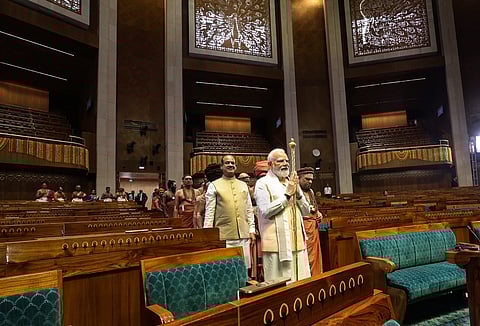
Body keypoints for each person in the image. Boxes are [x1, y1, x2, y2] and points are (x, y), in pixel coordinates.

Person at [254, 148, 311, 282]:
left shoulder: (290, 182)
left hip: (297, 243)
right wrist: (287, 195)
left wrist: (298, 194)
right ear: (270, 164)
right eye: (280, 161)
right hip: (276, 245)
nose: (285, 163)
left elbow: (306, 211)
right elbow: (266, 211)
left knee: (300, 281)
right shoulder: (262, 183)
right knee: (280, 285)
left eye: (286, 160)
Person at [204, 155, 255, 270]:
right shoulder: (214, 185)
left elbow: (249, 209)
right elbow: (209, 212)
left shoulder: (243, 185)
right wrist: (208, 234)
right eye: (227, 163)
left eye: (232, 163)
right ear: (222, 166)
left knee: (244, 268)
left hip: (244, 235)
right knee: (226, 269)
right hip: (224, 236)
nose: (230, 165)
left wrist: (251, 229)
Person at [297, 167, 323, 276]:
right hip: (302, 227)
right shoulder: (296, 192)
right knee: (305, 256)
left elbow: (314, 208)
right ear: (299, 178)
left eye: (311, 179)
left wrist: (318, 213)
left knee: (315, 256)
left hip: (313, 228)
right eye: (307, 179)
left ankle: (316, 276)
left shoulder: (311, 192)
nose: (310, 182)